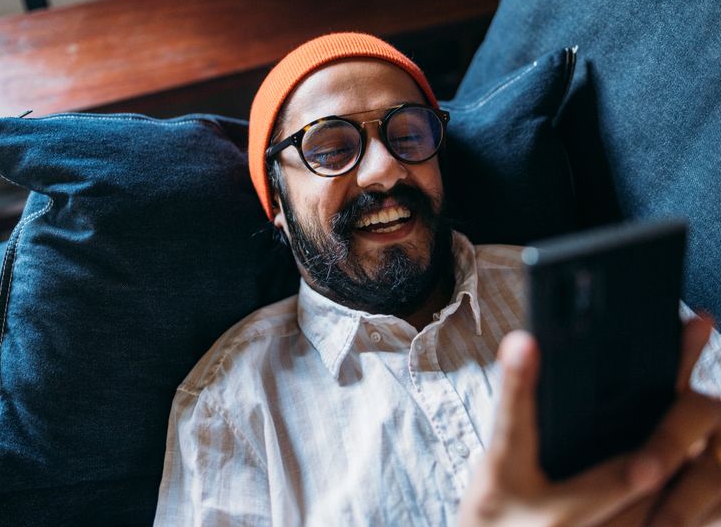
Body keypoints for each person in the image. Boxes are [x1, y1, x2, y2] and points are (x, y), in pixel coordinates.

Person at [154, 33, 721, 525]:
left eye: (409, 135)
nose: (384, 169)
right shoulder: (231, 406)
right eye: (330, 148)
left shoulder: (591, 294)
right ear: (277, 201)